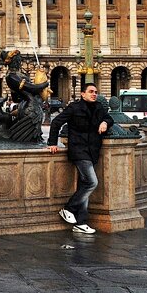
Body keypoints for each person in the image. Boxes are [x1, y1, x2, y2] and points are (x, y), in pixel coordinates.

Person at [47, 83, 114, 235]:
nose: (94, 94)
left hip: (92, 151)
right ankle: (68, 208)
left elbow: (110, 119)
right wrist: (52, 143)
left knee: (85, 186)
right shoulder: (74, 107)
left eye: (96, 92)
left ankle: (81, 222)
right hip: (79, 150)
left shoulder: (98, 107)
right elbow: (56, 122)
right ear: (82, 94)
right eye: (91, 92)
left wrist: (105, 122)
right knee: (92, 182)